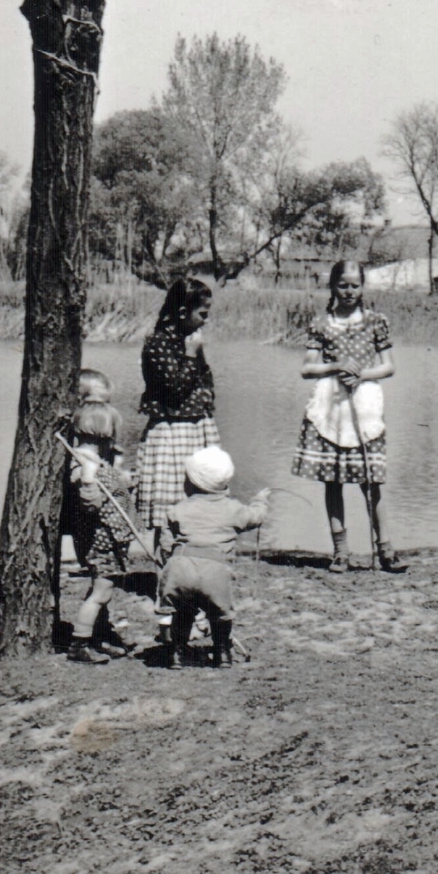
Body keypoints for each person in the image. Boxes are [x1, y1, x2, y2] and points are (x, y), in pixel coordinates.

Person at [291, 260, 406, 573]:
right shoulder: (322, 323)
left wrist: (362, 374)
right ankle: (340, 551)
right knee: (333, 481)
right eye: (343, 285)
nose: (350, 291)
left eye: (355, 285)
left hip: (364, 402)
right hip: (331, 407)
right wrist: (335, 366)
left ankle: (386, 550)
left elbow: (389, 366)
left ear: (363, 287)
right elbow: (307, 368)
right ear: (333, 286)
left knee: (372, 480)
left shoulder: (375, 321)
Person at [159, 445, 270, 668]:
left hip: (181, 566)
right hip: (215, 570)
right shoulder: (233, 509)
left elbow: (165, 543)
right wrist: (260, 501)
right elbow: (256, 517)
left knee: (182, 609)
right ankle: (222, 654)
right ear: (225, 484)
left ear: (189, 483)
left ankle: (177, 654)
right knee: (220, 614)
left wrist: (167, 560)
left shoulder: (178, 509)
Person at [136, 277, 218, 555]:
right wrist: (190, 356)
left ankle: (189, 570)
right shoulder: (158, 345)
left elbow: (205, 381)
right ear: (183, 313)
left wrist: (206, 400)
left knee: (196, 502)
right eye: (202, 314)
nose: (206, 320)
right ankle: (166, 575)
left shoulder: (190, 343)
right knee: (169, 509)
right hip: (170, 433)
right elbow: (174, 390)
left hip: (195, 430)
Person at [64, 369, 138, 665]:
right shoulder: (85, 463)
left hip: (110, 540)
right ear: (103, 433)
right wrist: (91, 484)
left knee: (102, 591)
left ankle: (97, 635)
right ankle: (78, 644)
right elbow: (89, 500)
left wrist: (123, 481)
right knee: (100, 593)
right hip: (101, 542)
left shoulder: (96, 459)